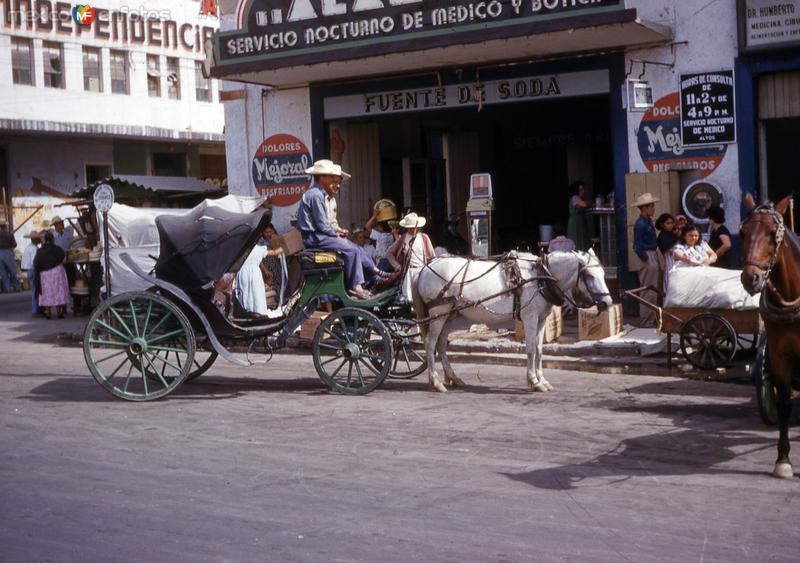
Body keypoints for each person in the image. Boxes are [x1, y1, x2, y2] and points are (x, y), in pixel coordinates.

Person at [296, 159, 388, 300]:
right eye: (332, 178)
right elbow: (322, 225)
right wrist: (337, 234)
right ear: (323, 177)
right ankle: (356, 287)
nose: (336, 182)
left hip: (322, 235)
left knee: (357, 248)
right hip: (315, 238)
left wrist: (338, 231)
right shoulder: (315, 195)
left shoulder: (324, 195)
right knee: (351, 250)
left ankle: (375, 275)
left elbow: (329, 223)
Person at [385, 212, 436, 302]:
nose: (414, 230)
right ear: (407, 228)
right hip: (408, 274)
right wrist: (397, 265)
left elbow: (432, 257)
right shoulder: (403, 239)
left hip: (423, 272)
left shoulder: (424, 238)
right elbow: (389, 253)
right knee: (409, 301)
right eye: (411, 228)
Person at [632, 192, 660, 327]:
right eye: (651, 207)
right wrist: (646, 259)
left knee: (653, 288)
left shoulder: (648, 221)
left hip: (652, 254)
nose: (653, 209)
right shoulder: (640, 224)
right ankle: (646, 320)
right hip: (647, 255)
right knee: (648, 289)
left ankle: (652, 318)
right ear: (644, 208)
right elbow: (637, 245)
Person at [34, 232, 70, 319]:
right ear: (53, 239)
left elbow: (36, 263)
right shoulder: (58, 249)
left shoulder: (40, 251)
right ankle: (59, 312)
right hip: (57, 272)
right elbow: (64, 260)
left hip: (45, 274)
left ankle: (48, 312)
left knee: (47, 292)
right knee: (57, 291)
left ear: (45, 240)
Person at [21, 230, 43, 316]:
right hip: (34, 270)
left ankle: (36, 308)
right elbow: (35, 262)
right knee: (36, 291)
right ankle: (35, 309)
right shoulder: (34, 249)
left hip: (29, 270)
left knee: (35, 290)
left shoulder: (28, 247)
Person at [655, 213, 678, 292]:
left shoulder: (672, 233)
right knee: (670, 283)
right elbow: (671, 249)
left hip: (676, 260)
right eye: (668, 223)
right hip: (670, 261)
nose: (671, 225)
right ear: (662, 224)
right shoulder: (662, 236)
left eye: (672, 223)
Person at [567, 180, 589, 251]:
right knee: (577, 239)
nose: (583, 191)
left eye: (583, 189)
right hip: (575, 223)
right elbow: (584, 204)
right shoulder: (575, 197)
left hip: (580, 222)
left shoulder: (580, 198)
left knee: (582, 239)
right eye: (581, 189)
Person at [0, 218, 20, 292]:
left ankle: (7, 288)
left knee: (3, 272)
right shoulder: (9, 234)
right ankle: (17, 287)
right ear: (5, 226)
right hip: (8, 252)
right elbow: (15, 244)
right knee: (13, 270)